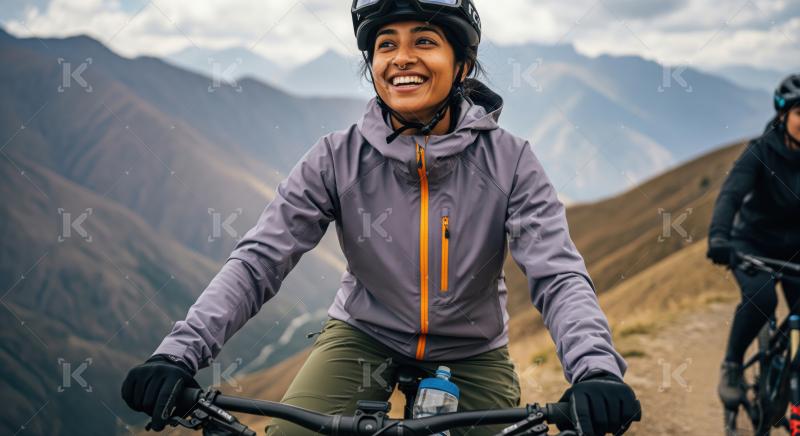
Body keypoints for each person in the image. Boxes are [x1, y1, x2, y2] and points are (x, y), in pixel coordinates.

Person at [121, 1, 639, 435]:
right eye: (386, 44)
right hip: (362, 335)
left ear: (461, 65)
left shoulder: (511, 161)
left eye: (425, 41)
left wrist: (595, 369)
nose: (402, 58)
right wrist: (177, 355)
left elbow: (558, 275)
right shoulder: (336, 157)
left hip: (472, 349)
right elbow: (259, 261)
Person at [709, 73, 800, 409]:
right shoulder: (761, 152)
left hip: (795, 251)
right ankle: (732, 364)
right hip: (753, 244)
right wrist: (719, 236)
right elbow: (731, 195)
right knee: (762, 299)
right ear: (782, 115)